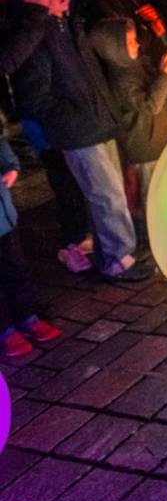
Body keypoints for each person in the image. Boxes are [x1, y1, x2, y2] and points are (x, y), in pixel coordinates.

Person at [0, 0, 151, 281]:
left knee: (110, 195)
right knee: (106, 197)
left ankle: (112, 254)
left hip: (97, 120)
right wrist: (71, 120)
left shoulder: (69, 25)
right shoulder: (35, 37)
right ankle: (118, 261)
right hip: (79, 130)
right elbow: (33, 97)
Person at [88, 17, 167, 220]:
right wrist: (164, 74)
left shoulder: (138, 65)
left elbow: (162, 91)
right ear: (115, 49)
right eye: (130, 42)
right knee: (155, 197)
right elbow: (151, 105)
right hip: (147, 150)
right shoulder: (122, 81)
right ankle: (153, 232)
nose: (137, 44)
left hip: (160, 142)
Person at [0, 125, 63, 358]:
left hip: (3, 215)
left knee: (16, 265)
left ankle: (28, 315)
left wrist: (11, 165)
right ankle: (4, 329)